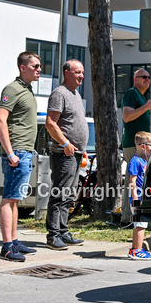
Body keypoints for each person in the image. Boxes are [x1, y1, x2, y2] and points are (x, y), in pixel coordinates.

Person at [0, 51, 42, 261]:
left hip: (25, 152)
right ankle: (6, 247)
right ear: (23, 67)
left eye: (39, 66)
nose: (39, 69)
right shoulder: (12, 89)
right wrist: (11, 153)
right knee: (8, 199)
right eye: (35, 66)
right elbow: (0, 120)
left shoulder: (27, 89)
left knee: (15, 200)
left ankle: (14, 241)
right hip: (18, 153)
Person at [44, 59, 89, 251]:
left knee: (69, 195)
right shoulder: (59, 93)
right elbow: (50, 123)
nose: (81, 76)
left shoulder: (76, 94)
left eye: (82, 72)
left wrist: (81, 146)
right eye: (77, 72)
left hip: (76, 153)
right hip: (64, 154)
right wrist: (66, 143)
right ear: (66, 73)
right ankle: (53, 235)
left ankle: (63, 231)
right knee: (60, 193)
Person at [127, 131, 151, 261]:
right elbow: (132, 181)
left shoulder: (143, 161)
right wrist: (135, 199)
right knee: (140, 224)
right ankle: (137, 251)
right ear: (143, 146)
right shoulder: (135, 161)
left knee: (141, 223)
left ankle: (135, 249)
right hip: (137, 197)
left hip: (142, 196)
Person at [122, 68, 151, 163]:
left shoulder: (141, 96)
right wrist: (146, 107)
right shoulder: (132, 93)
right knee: (135, 175)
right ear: (135, 80)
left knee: (136, 175)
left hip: (141, 144)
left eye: (149, 77)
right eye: (144, 77)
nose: (147, 79)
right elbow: (127, 117)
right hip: (133, 144)